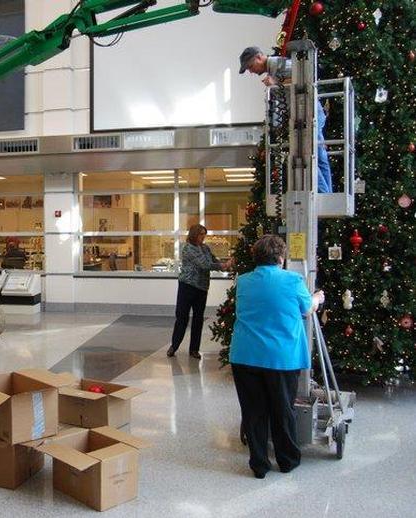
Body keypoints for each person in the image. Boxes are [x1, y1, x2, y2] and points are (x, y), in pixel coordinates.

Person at [229, 235, 324, 479]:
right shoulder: (293, 280)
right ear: (281, 259)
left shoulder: (244, 281)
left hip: (245, 355)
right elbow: (306, 309)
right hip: (280, 358)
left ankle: (259, 464)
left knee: (254, 411)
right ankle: (287, 460)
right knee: (282, 409)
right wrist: (317, 298)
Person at [239, 46, 333, 194]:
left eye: (251, 66)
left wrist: (276, 83)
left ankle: (324, 193)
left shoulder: (279, 64)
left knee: (310, 154)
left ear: (259, 57)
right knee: (319, 155)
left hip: (308, 112)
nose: (251, 71)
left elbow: (303, 77)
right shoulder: (275, 67)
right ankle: (327, 193)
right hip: (308, 112)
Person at [167, 224, 232, 359]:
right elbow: (204, 265)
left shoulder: (205, 248)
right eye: (201, 234)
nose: (203, 237)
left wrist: (226, 265)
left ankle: (194, 350)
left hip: (201, 288)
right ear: (194, 234)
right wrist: (222, 266)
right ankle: (174, 346)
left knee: (198, 319)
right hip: (187, 286)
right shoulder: (188, 249)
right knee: (182, 317)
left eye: (204, 234)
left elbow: (214, 260)